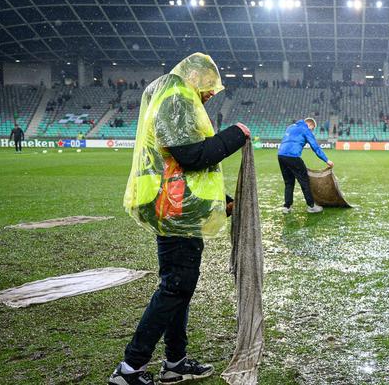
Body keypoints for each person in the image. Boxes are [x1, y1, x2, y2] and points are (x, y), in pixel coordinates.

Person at [110, 53, 250, 385]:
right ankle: (129, 369)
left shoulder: (171, 95)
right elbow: (190, 156)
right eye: (210, 86)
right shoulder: (177, 97)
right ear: (197, 77)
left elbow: (176, 166)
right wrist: (236, 134)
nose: (212, 94)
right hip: (173, 211)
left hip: (174, 208)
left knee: (179, 288)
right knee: (174, 288)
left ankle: (175, 362)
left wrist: (222, 202)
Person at [278, 117, 334, 214]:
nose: (311, 131)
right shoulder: (306, 129)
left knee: (288, 182)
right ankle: (311, 206)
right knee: (305, 181)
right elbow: (315, 147)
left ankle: (287, 207)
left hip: (281, 155)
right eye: (312, 129)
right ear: (310, 125)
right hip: (293, 156)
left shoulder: (290, 127)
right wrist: (326, 160)